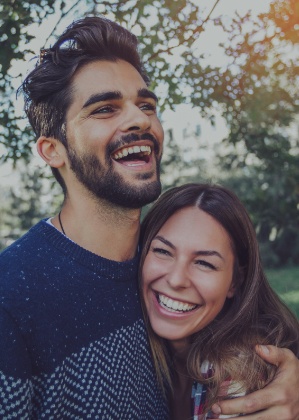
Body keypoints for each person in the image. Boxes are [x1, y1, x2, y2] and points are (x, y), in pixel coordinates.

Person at [0, 15, 298, 420]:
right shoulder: (13, 296)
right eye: (105, 109)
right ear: (53, 150)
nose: (140, 120)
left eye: (146, 106)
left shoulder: (169, 264)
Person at [139, 183, 299, 420]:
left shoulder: (239, 377)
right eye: (163, 251)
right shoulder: (136, 344)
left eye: (204, 263)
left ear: (235, 281)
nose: (176, 279)